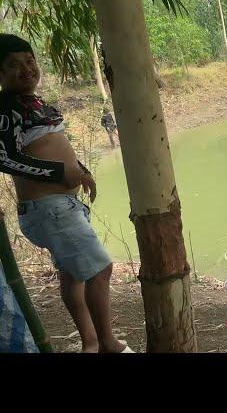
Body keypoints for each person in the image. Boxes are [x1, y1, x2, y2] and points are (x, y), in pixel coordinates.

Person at [0, 34, 132, 353]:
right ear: (0, 74)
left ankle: (89, 342)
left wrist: (82, 172)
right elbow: (4, 157)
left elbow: (59, 149)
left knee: (74, 275)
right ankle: (107, 343)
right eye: (15, 65)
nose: (27, 69)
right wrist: (62, 173)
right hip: (48, 207)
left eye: (30, 61)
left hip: (63, 204)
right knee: (100, 269)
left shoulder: (37, 104)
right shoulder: (5, 108)